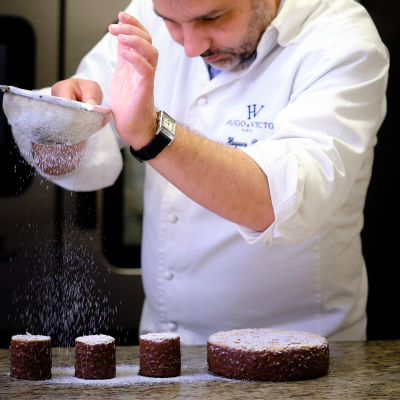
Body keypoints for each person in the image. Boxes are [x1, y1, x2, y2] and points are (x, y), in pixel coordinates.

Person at [13, 0, 389, 344]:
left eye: (213, 18)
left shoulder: (343, 42)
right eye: (171, 23)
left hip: (300, 348)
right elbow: (70, 158)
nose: (190, 47)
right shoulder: (153, 10)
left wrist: (150, 132)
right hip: (164, 344)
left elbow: (276, 202)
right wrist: (61, 126)